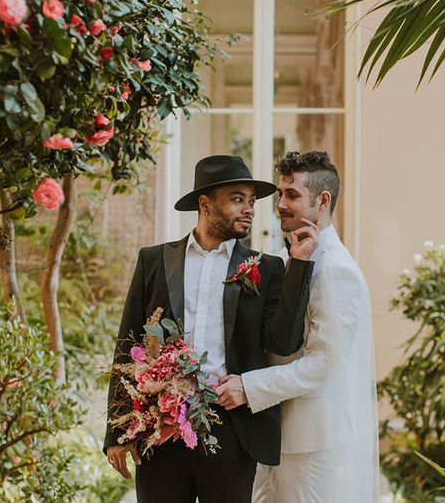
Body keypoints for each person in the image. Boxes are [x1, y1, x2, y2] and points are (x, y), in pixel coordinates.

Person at [104, 154, 318, 503]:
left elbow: (283, 341)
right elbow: (127, 343)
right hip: (161, 428)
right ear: (204, 203)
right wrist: (117, 429)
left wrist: (300, 265)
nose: (249, 209)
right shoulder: (154, 261)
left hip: (231, 430)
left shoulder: (267, 268)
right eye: (237, 199)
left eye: (251, 201)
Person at [216, 150, 380, 502]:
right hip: (278, 435)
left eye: (292, 195)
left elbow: (325, 364)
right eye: (280, 194)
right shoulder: (301, 255)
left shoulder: (337, 269)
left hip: (311, 444)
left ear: (322, 201)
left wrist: (249, 386)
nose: (280, 204)